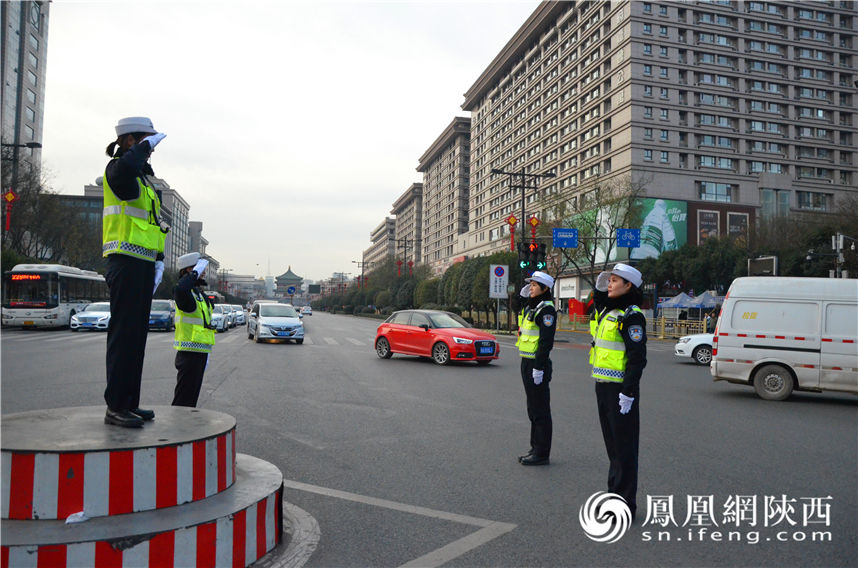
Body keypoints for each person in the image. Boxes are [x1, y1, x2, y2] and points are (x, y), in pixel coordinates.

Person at [102, 117, 169, 428]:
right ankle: (115, 406)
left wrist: (158, 259)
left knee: (136, 339)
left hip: (142, 264)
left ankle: (130, 402)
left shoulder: (143, 179)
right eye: (146, 140)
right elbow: (125, 174)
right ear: (130, 141)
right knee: (124, 337)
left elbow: (152, 224)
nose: (151, 148)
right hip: (124, 261)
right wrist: (141, 150)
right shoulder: (117, 169)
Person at [590, 263, 647, 518]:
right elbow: (599, 297)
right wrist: (602, 284)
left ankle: (625, 503)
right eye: (609, 280)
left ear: (629, 286)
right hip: (603, 386)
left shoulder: (631, 315)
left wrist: (629, 392)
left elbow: (637, 358)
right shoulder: (609, 312)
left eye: (615, 280)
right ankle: (614, 493)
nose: (609, 284)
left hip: (621, 392)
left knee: (624, 448)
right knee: (612, 446)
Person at [515, 271, 557, 466]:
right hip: (527, 362)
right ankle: (535, 447)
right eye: (530, 285)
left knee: (540, 409)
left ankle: (542, 453)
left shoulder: (547, 310)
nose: (530, 288)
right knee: (532, 408)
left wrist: (539, 367)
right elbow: (520, 311)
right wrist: (525, 297)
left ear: (545, 288)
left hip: (537, 365)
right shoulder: (535, 307)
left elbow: (546, 342)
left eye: (534, 285)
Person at [172, 252, 215, 407]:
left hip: (200, 352)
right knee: (184, 398)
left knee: (191, 397)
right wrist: (195, 274)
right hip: (188, 352)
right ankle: (178, 427)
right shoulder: (185, 292)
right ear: (189, 270)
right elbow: (181, 288)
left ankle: (186, 425)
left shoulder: (198, 293)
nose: (203, 271)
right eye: (199, 268)